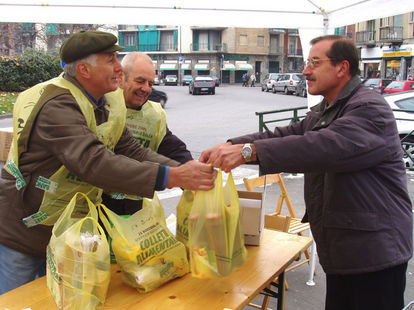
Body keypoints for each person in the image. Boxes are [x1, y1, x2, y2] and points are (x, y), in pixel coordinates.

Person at [200, 35, 413, 310]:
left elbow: (321, 147)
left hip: (374, 255)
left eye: (314, 62)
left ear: (342, 68)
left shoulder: (369, 109)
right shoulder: (325, 109)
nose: (305, 71)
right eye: (306, 62)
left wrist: (246, 153)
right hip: (344, 254)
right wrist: (233, 144)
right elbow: (285, 133)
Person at [0, 30, 216, 294]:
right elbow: (94, 162)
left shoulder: (108, 101)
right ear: (84, 70)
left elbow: (130, 149)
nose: (118, 68)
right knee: (16, 300)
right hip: (24, 232)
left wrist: (180, 170)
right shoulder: (57, 104)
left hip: (65, 232)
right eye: (111, 60)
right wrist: (171, 178)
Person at [102, 52, 193, 214]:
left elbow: (172, 148)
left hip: (133, 206)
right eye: (140, 81)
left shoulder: (154, 114)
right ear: (121, 78)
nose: (146, 88)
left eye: (151, 83)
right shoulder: (102, 104)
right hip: (97, 204)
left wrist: (190, 172)